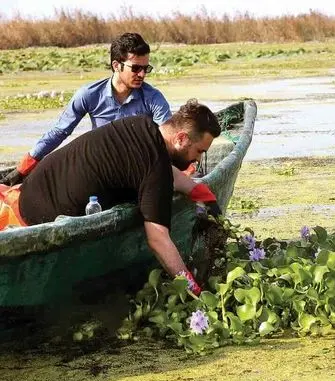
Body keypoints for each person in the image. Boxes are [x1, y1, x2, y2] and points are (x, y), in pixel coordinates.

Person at [0, 99, 219, 295]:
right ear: (181, 139)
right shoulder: (155, 167)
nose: (197, 161)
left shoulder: (140, 125)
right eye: (199, 151)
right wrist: (192, 289)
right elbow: (158, 239)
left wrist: (197, 190)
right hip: (32, 222)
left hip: (25, 193)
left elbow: (161, 171)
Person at [1, 32, 202, 191]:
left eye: (145, 69)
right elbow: (59, 132)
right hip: (102, 168)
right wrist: (23, 168)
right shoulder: (88, 95)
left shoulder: (153, 98)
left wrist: (185, 169)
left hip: (140, 170)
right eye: (135, 68)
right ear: (116, 65)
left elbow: (169, 137)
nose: (141, 74)